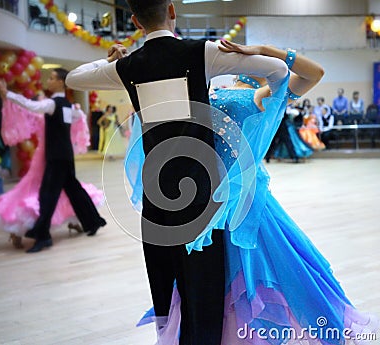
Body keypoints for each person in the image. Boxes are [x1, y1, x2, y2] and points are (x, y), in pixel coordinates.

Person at [66, 1, 290, 344]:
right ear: (172, 9)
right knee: (204, 290)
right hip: (201, 195)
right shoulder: (202, 53)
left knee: (167, 288)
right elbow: (277, 70)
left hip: (156, 197)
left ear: (136, 21)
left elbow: (74, 78)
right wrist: (253, 50)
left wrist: (111, 60)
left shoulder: (128, 66)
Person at [128, 40, 378, 344]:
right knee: (210, 278)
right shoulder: (201, 84)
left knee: (269, 271)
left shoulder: (259, 94)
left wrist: (266, 51)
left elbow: (315, 74)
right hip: (206, 198)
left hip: (243, 199)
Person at [0, 68, 106, 253]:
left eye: (53, 78)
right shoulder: (69, 106)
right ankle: (93, 222)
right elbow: (79, 118)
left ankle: (43, 236)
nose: (49, 81)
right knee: (74, 190)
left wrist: (7, 94)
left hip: (56, 157)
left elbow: (30, 105)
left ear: (61, 82)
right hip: (66, 156)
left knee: (48, 195)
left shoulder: (53, 104)